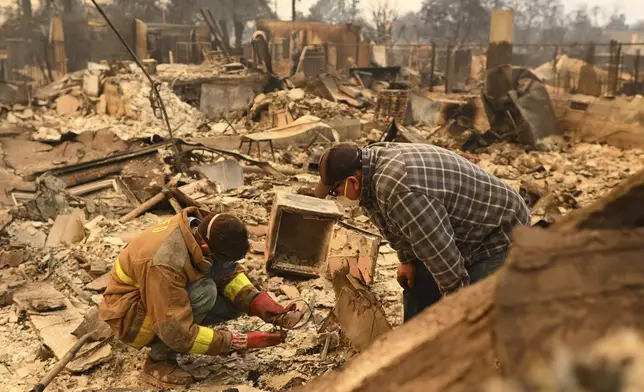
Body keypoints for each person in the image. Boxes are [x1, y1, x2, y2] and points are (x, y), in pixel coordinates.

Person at [314, 143, 530, 321]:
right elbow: (387, 222)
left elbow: (443, 257)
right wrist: (407, 259)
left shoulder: (400, 190)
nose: (335, 197)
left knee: (472, 311)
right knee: (418, 285)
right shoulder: (368, 171)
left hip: (498, 230)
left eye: (334, 192)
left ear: (352, 181)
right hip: (460, 226)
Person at [99, 207, 301, 388]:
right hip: (130, 317)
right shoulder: (165, 262)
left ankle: (186, 331)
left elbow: (227, 273)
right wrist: (239, 341)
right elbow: (175, 331)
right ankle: (158, 361)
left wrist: (264, 307)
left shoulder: (205, 229)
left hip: (158, 298)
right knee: (205, 292)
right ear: (205, 248)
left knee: (233, 301)